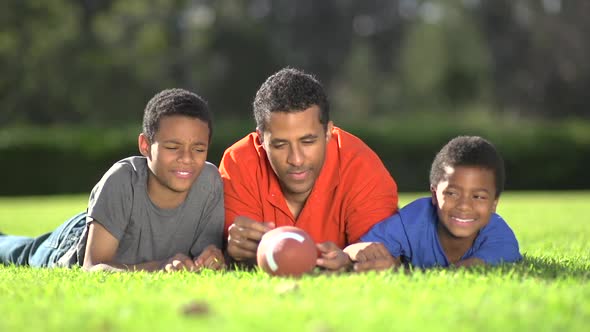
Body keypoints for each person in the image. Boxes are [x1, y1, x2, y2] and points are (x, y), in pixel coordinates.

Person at [0, 88, 225, 272]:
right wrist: (159, 267)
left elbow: (203, 257)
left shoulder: (209, 182)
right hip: (75, 242)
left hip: (108, 229)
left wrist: (212, 258)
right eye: (172, 147)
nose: (186, 159)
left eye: (198, 149)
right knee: (21, 252)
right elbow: (92, 265)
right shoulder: (122, 179)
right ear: (145, 145)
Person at [219, 67, 399, 271]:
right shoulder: (239, 162)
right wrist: (236, 252)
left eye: (308, 141)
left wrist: (351, 262)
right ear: (261, 138)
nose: (296, 159)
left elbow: (382, 258)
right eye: (280, 145)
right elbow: (236, 258)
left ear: (328, 132)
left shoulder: (361, 165)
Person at [344, 136, 522, 271]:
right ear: (435, 195)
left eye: (478, 197)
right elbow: (360, 248)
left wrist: (398, 271)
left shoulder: (501, 237)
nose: (464, 206)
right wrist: (355, 255)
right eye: (452, 193)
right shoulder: (413, 221)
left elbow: (468, 270)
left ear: (494, 203)